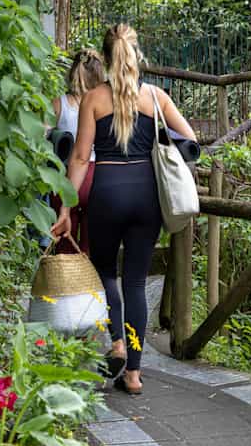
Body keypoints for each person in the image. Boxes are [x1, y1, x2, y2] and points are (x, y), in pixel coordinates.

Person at [51, 24, 196, 396]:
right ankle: (133, 373)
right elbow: (191, 140)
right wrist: (158, 139)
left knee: (105, 272)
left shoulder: (94, 99)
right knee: (135, 281)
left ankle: (116, 341)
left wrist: (66, 208)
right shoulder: (156, 97)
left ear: (107, 57)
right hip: (146, 194)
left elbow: (81, 157)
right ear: (136, 55)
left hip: (107, 194)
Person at [46, 49, 105, 252]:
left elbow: (39, 138)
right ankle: (89, 280)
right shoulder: (102, 106)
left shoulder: (58, 104)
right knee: (93, 245)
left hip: (65, 179)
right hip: (95, 177)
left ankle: (64, 279)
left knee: (63, 241)